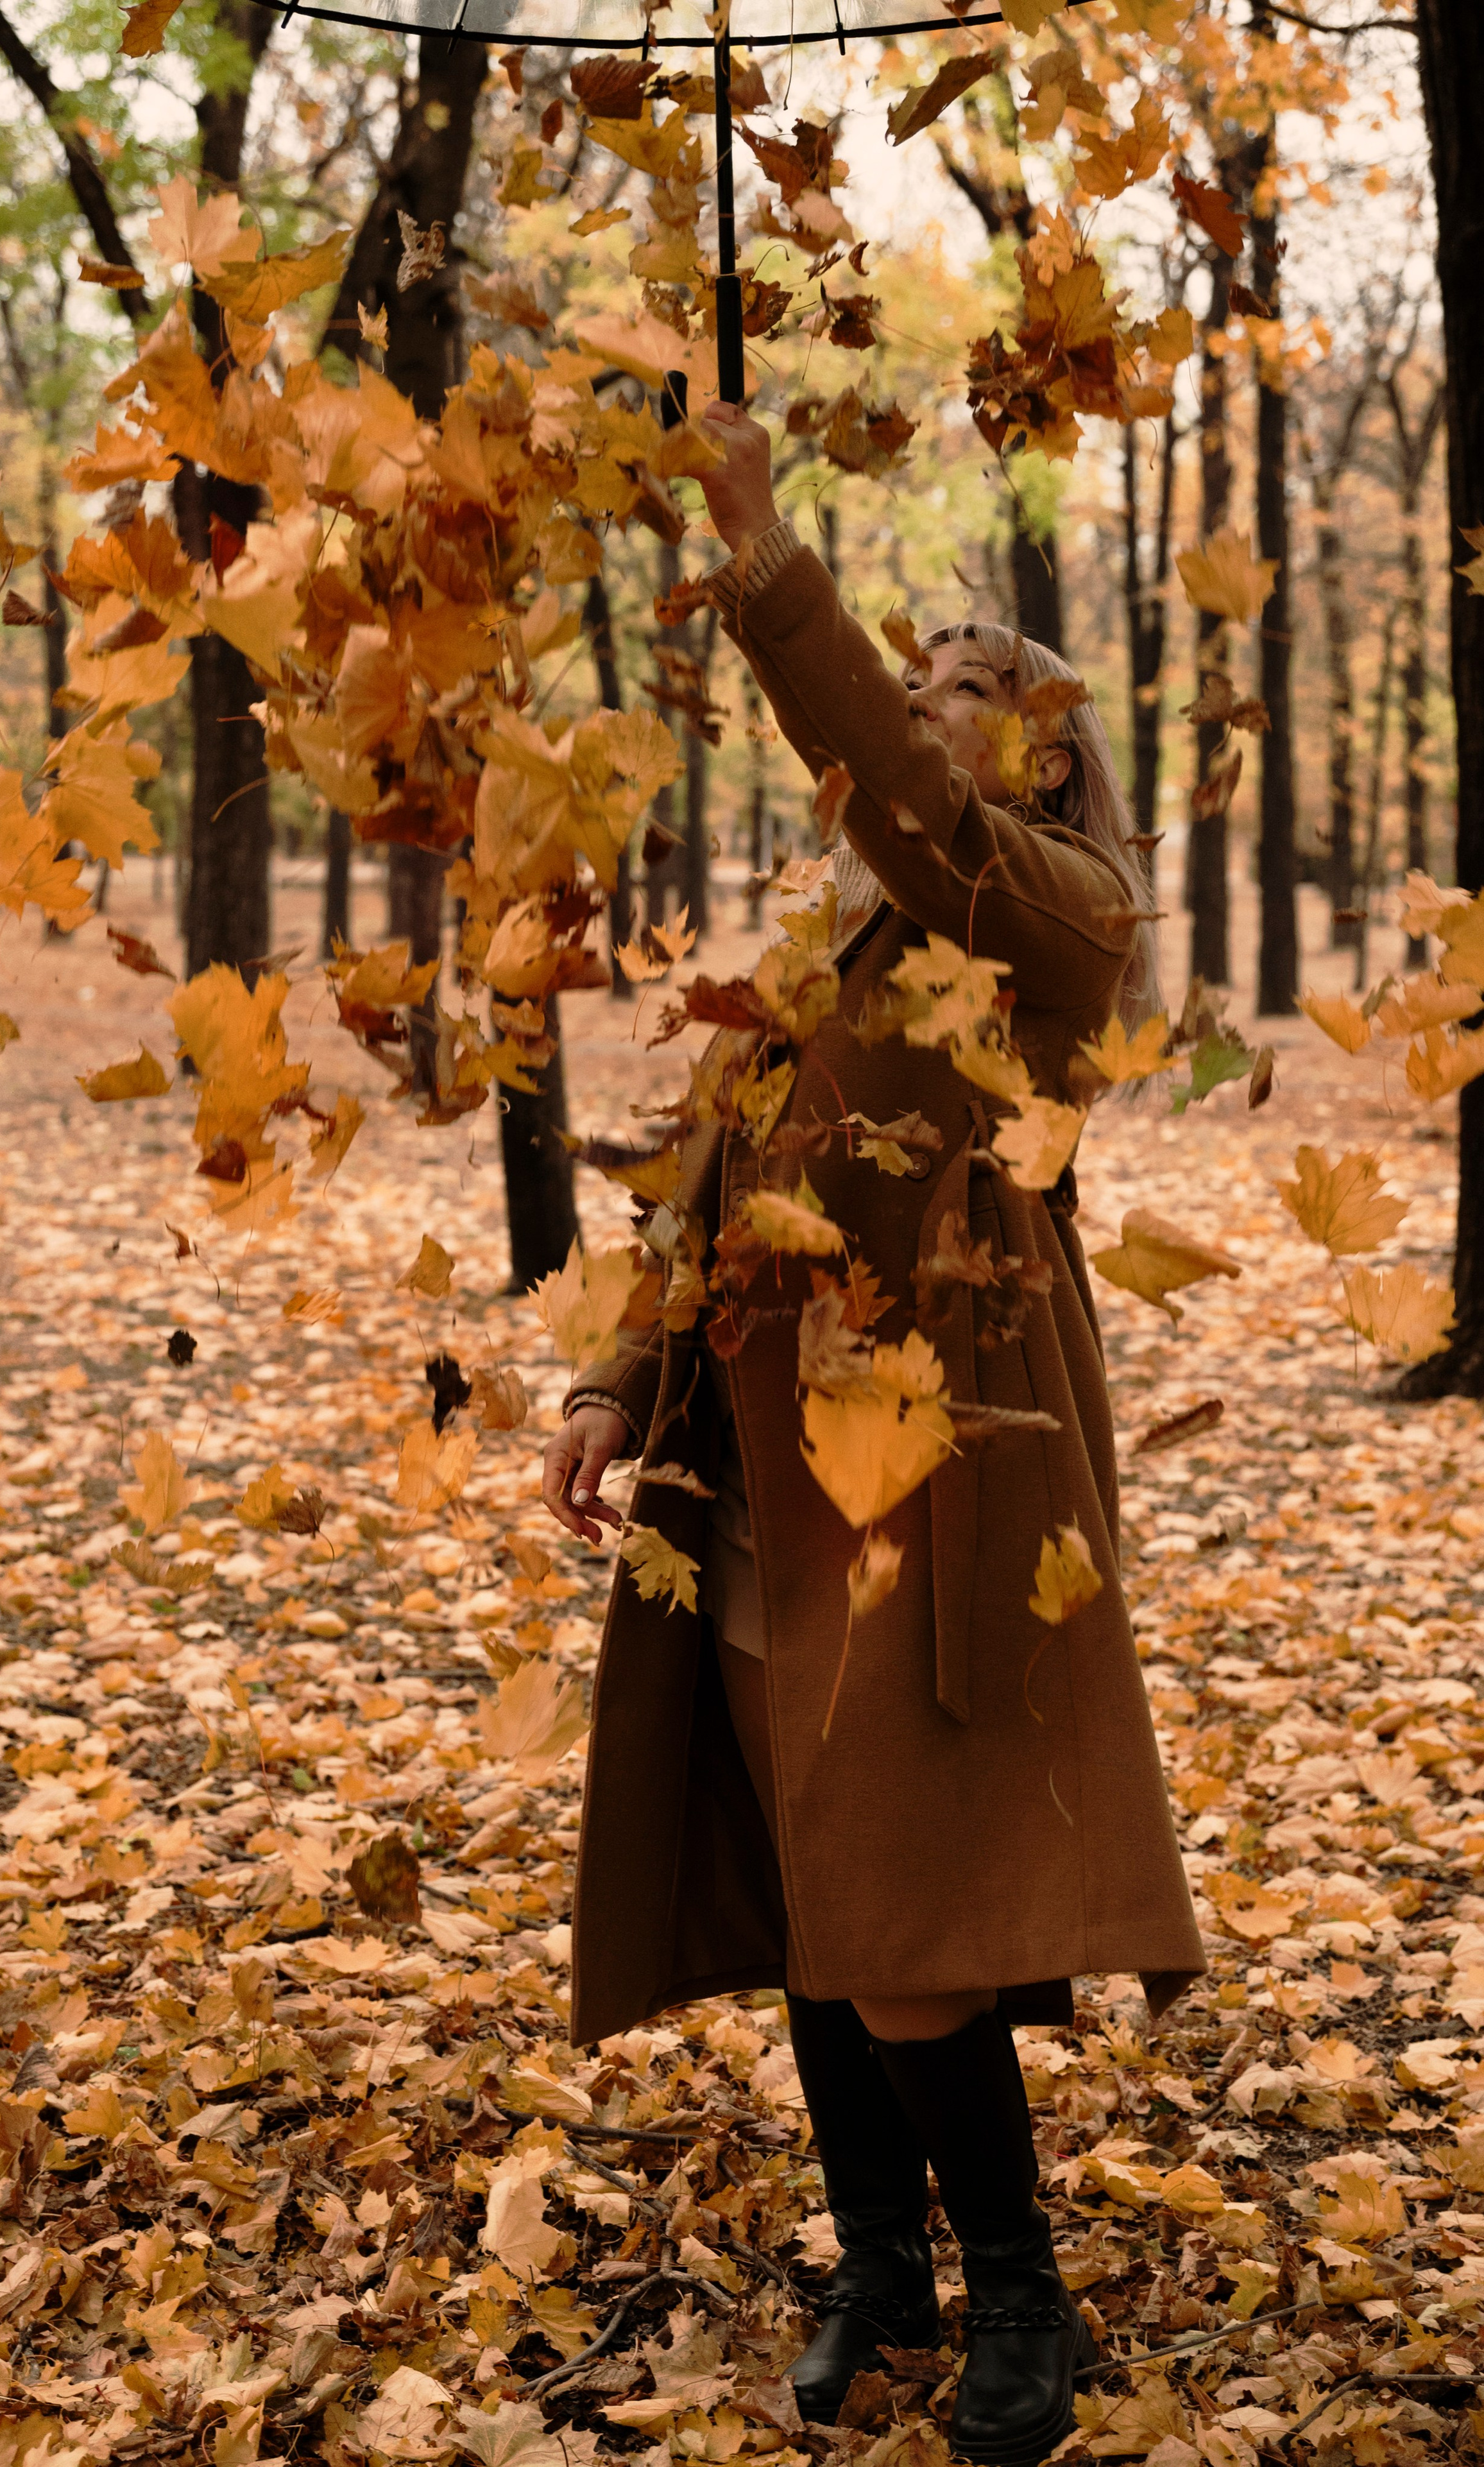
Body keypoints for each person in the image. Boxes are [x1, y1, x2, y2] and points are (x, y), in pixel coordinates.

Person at [540, 402, 1203, 2465]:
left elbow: (927, 815)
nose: (906, 734)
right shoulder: (827, 938)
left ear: (1046, 748)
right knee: (829, 1920)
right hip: (754, 1480)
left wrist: (768, 564)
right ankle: (887, 2277)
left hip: (928, 1489)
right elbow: (709, 1177)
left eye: (952, 704)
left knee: (908, 1922)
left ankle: (1021, 2297)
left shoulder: (1054, 912)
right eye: (898, 698)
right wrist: (607, 1382)